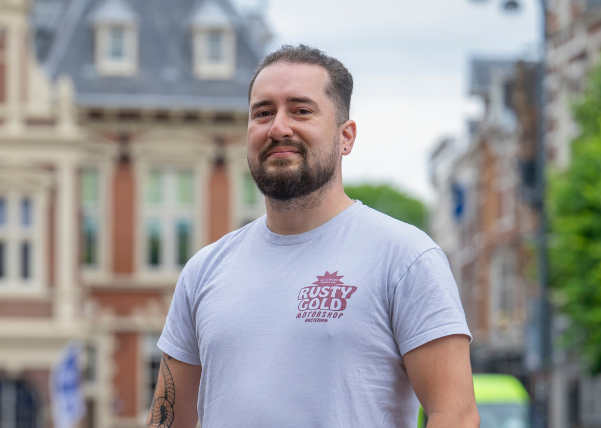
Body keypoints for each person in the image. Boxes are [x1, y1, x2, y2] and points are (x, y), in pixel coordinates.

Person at [149, 44, 480, 427]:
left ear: (346, 137)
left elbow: (455, 414)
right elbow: (167, 419)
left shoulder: (405, 258)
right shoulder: (204, 270)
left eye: (301, 111)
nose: (278, 128)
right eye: (263, 113)